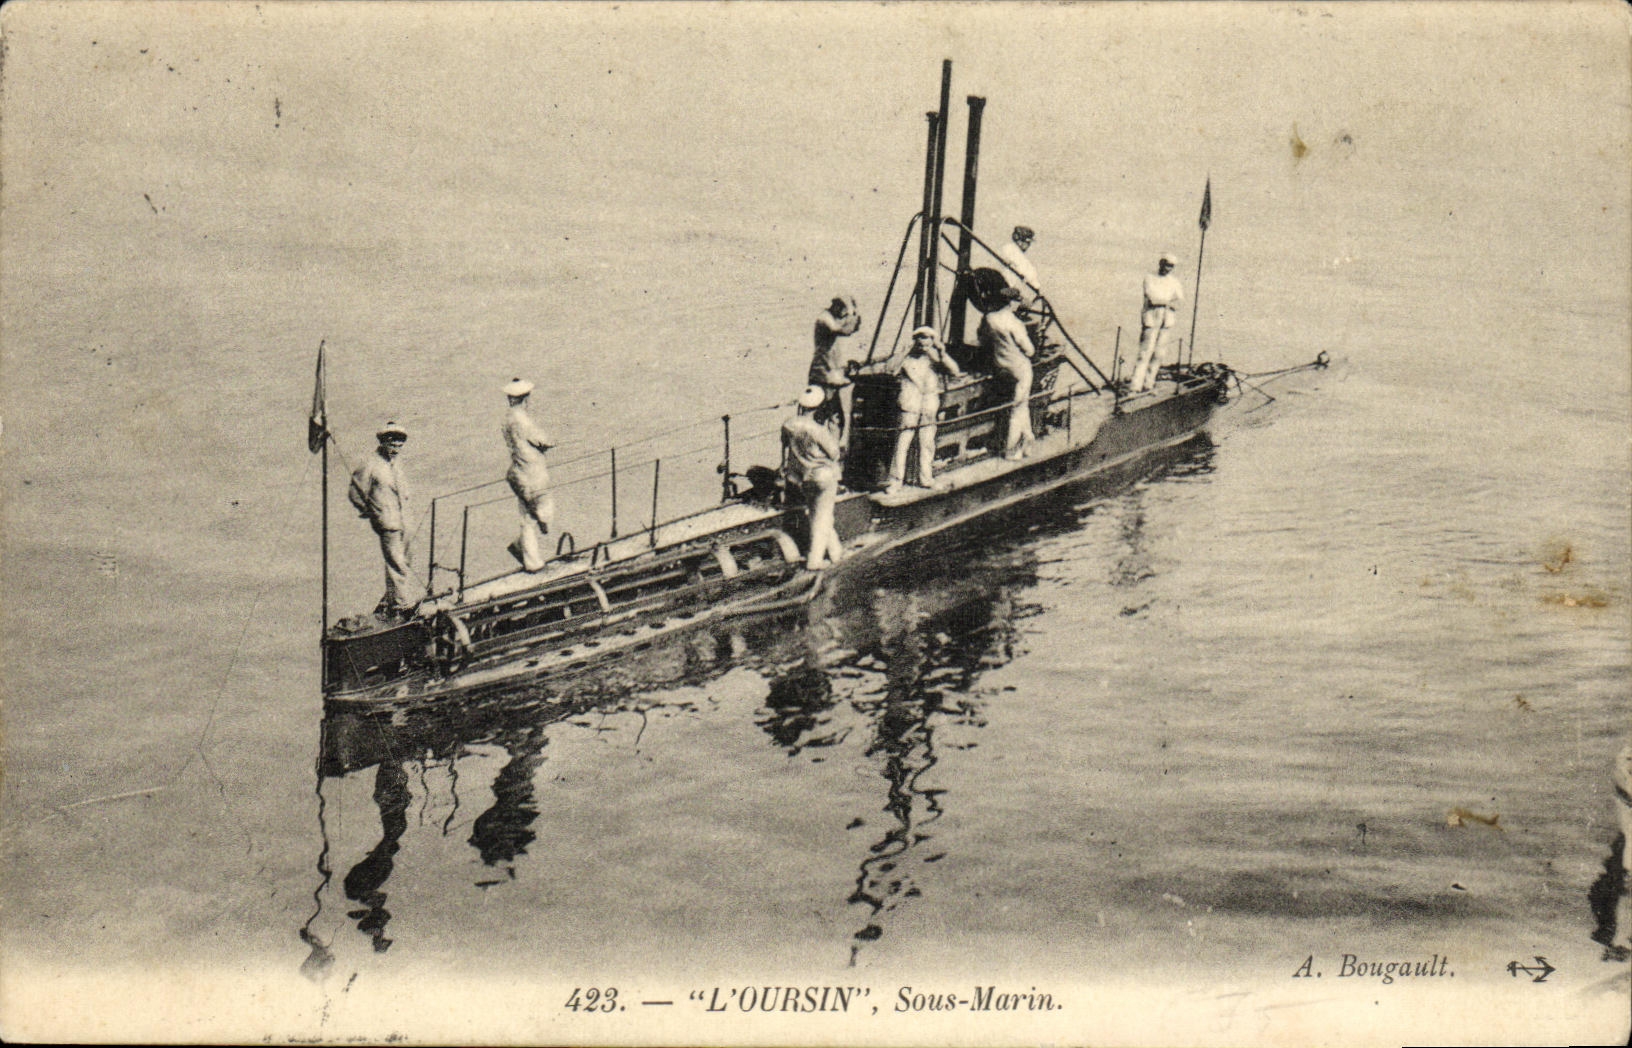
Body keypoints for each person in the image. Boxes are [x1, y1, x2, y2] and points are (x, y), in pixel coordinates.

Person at [348, 421, 419, 619]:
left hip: (405, 519)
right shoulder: (370, 464)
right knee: (396, 562)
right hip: (388, 522)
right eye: (392, 444)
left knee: (406, 560)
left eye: (399, 445)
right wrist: (372, 512)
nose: (396, 448)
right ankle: (402, 605)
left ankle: (393, 597)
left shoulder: (396, 464)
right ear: (383, 442)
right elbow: (355, 492)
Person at [884, 326, 963, 493]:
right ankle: (895, 481)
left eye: (927, 341)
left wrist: (942, 353)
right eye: (920, 341)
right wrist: (903, 353)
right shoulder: (906, 358)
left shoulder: (934, 358)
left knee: (927, 442)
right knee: (902, 442)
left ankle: (926, 478)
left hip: (928, 404)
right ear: (915, 341)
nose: (923, 345)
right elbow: (889, 369)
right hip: (910, 403)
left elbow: (955, 371)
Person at [781, 386, 846, 570]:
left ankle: (836, 552)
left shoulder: (788, 425)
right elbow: (834, 453)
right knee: (823, 516)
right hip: (823, 476)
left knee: (816, 514)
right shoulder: (818, 430)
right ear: (818, 407)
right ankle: (814, 560)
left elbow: (785, 446)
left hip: (803, 476)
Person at [501, 377, 556, 572]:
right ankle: (529, 557)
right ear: (526, 398)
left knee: (527, 517)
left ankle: (527, 553)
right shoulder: (523, 420)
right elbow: (543, 440)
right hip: (533, 473)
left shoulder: (506, 419)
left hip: (518, 472)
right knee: (545, 513)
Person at [977, 286, 1037, 460]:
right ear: (1011, 303)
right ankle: (1012, 451)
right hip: (1019, 368)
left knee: (1021, 406)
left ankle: (1027, 443)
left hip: (1000, 367)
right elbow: (1029, 350)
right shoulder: (1015, 323)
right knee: (1019, 408)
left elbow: (983, 339)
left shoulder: (990, 319)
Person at [807, 294, 862, 443]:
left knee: (835, 417)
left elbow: (849, 330)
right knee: (820, 415)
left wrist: (853, 316)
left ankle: (832, 447)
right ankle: (818, 447)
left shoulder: (832, 318)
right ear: (837, 307)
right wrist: (853, 317)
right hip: (823, 374)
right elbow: (841, 330)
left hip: (830, 374)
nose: (844, 315)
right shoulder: (824, 319)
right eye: (844, 311)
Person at [1130, 253, 1185, 393]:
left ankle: (1149, 383)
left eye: (1171, 266)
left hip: (1167, 320)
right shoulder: (1150, 277)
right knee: (1145, 353)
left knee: (1159, 354)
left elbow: (1180, 301)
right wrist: (1168, 302)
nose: (1168, 269)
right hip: (1151, 318)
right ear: (1161, 263)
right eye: (1166, 265)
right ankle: (1135, 385)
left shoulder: (1174, 281)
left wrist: (1167, 303)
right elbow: (1153, 298)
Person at [995, 225, 1041, 306]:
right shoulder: (1013, 250)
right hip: (1003, 285)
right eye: (1027, 242)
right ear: (1020, 241)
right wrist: (1036, 286)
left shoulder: (1008, 249)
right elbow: (1026, 270)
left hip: (1002, 283)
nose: (1028, 246)